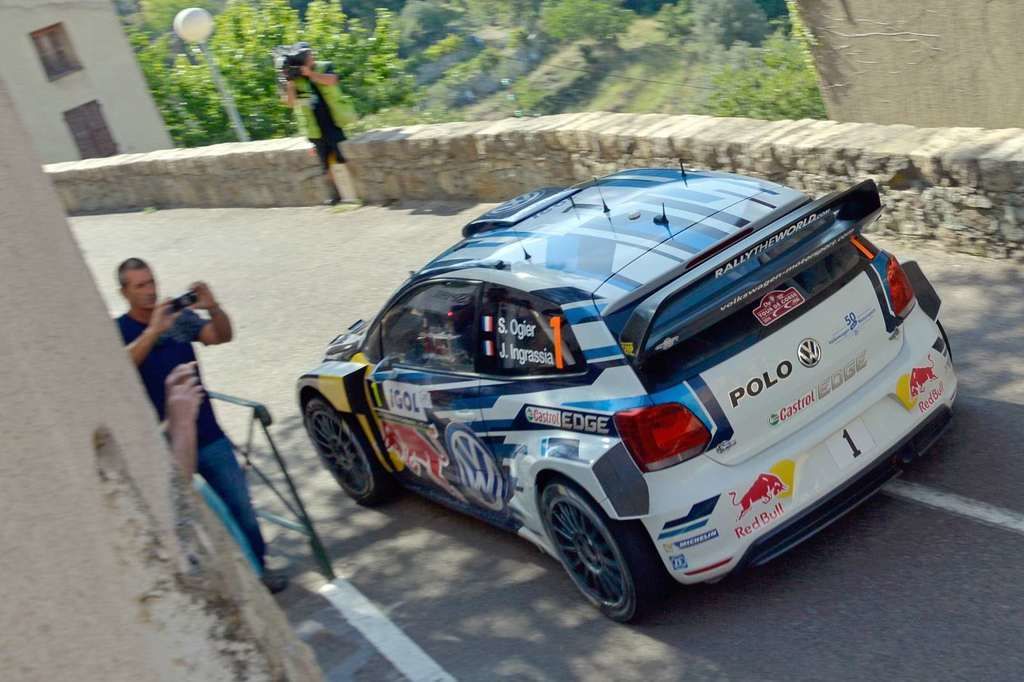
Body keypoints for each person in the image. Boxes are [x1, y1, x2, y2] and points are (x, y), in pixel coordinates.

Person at [115, 257, 287, 593]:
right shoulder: (120, 330)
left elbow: (220, 335)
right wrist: (153, 331)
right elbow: (121, 366)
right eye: (140, 286)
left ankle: (259, 573)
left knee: (241, 507)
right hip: (164, 445)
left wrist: (214, 307)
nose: (150, 291)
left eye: (151, 282)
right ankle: (218, 585)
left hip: (207, 434)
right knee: (187, 518)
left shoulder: (179, 318)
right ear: (125, 292)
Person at [282, 42, 353, 205]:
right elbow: (290, 103)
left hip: (334, 122)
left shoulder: (324, 66)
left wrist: (310, 74)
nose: (310, 57)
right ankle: (335, 195)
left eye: (308, 54)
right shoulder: (293, 78)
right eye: (306, 56)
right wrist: (290, 83)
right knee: (325, 165)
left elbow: (332, 80)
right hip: (314, 128)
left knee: (344, 157)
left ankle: (356, 191)